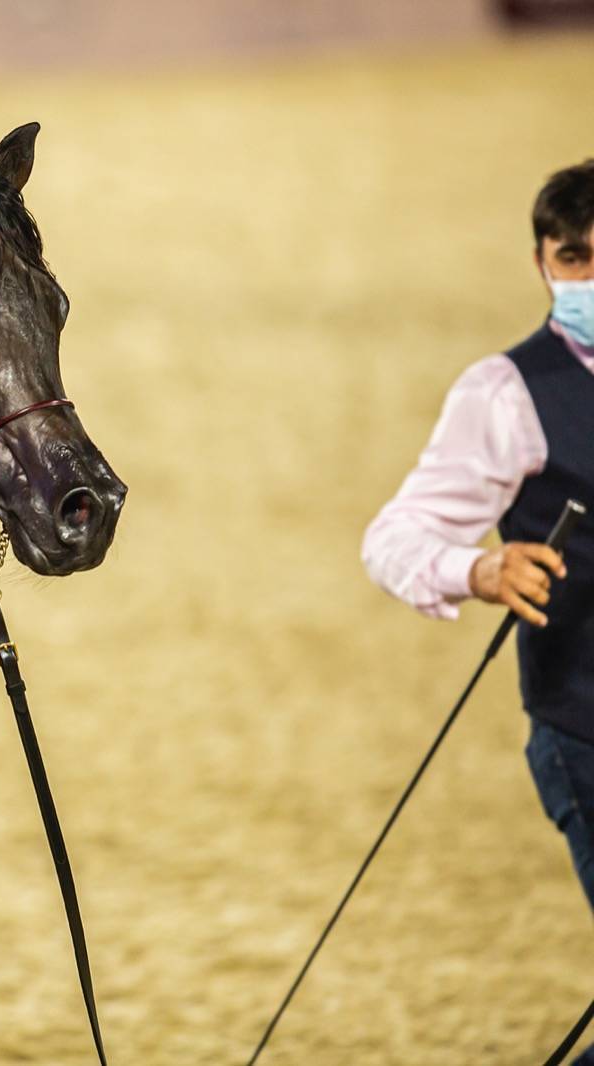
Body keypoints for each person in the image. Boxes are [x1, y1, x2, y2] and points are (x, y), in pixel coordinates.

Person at [363, 156, 594, 1048]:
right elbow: (394, 537)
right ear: (543, 263)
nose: (588, 278)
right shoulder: (505, 395)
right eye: (573, 259)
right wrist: (481, 571)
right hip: (584, 732)